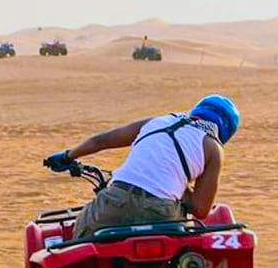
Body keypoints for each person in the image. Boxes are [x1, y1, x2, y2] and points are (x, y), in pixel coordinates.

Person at [44, 94, 240, 238]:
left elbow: (100, 140)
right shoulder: (213, 148)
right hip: (163, 214)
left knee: (80, 240)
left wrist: (68, 156)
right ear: (226, 130)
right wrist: (176, 182)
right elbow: (200, 209)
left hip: (114, 202)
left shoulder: (158, 121)